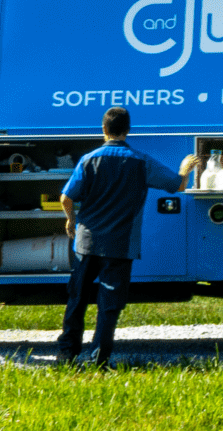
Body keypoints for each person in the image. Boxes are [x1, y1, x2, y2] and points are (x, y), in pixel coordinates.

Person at [55, 106, 186, 370]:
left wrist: (71, 220)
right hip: (120, 245)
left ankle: (67, 354)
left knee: (77, 297)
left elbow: (66, 197)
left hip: (87, 243)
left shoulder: (89, 160)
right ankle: (98, 359)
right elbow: (177, 185)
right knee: (109, 304)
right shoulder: (142, 161)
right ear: (127, 130)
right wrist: (185, 167)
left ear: (103, 130)